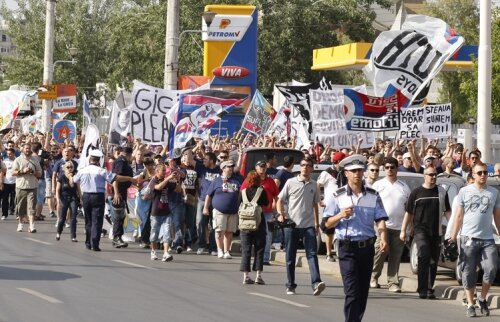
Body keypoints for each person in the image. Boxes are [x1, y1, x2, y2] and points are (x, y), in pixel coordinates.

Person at [322, 154, 388, 322]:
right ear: (346, 173)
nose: (358, 174)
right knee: (352, 291)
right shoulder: (337, 195)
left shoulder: (373, 195)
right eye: (353, 171)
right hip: (347, 248)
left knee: (362, 292)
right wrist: (340, 215)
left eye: (360, 170)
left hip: (366, 248)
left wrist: (384, 237)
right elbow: (326, 224)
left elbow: (380, 219)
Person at [450, 163, 500, 317]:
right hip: (468, 239)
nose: (483, 175)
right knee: (468, 272)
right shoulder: (464, 191)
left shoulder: (494, 192)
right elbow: (458, 216)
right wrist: (452, 237)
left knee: (491, 268)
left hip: (487, 239)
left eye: (485, 172)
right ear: (473, 175)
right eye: (480, 173)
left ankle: (482, 298)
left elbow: (497, 216)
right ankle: (471, 304)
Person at [276, 156, 325, 296]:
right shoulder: (291, 182)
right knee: (290, 257)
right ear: (300, 167)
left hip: (308, 225)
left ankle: (316, 283)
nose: (305, 167)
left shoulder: (314, 184)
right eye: (303, 165)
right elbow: (280, 200)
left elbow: (315, 204)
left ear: (311, 168)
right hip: (292, 225)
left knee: (312, 255)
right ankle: (290, 285)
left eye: (308, 165)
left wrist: (316, 223)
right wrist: (281, 214)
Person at [400, 166, 451, 299]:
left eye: (435, 175)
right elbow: (409, 213)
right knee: (424, 255)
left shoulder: (441, 191)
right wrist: (403, 230)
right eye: (430, 175)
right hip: (420, 231)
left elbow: (447, 212)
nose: (433, 177)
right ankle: (422, 288)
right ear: (424, 176)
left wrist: (451, 229)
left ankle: (429, 288)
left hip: (436, 231)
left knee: (433, 261)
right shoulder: (416, 193)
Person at [73, 150, 133, 251]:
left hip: (86, 196)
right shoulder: (101, 171)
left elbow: (74, 180)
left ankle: (88, 243)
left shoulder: (82, 170)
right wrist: (130, 178)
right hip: (98, 197)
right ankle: (95, 244)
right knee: (97, 220)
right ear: (98, 160)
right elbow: (115, 178)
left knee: (88, 221)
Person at [370, 157, 411, 292]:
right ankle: (374, 277)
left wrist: (407, 228)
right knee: (379, 253)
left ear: (397, 169)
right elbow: (371, 206)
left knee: (396, 255)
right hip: (383, 226)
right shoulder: (377, 185)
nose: (389, 170)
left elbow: (408, 209)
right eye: (387, 167)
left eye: (392, 167)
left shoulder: (404, 187)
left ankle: (393, 282)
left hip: (399, 227)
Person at [203, 159, 243, 259]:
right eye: (228, 167)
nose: (231, 168)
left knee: (229, 232)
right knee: (219, 231)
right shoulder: (216, 181)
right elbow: (209, 195)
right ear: (223, 169)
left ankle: (227, 251)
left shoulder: (236, 180)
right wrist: (205, 208)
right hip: (219, 211)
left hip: (233, 211)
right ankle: (219, 249)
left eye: (231, 167)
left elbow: (241, 193)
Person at [242, 160, 278, 265]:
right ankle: (251, 257)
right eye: (260, 167)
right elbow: (242, 193)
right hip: (252, 213)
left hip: (267, 212)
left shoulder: (270, 181)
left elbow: (276, 196)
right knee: (250, 234)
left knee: (268, 234)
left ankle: (265, 258)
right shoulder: (250, 180)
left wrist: (275, 207)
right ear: (256, 168)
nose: (262, 169)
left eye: (264, 167)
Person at [239, 170, 269, 285]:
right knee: (259, 249)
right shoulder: (261, 191)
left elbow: (238, 205)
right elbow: (266, 203)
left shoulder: (243, 192)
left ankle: (246, 276)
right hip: (258, 224)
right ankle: (258, 276)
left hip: (244, 225)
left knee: (246, 250)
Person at [11, 143, 43, 233]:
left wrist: (33, 172)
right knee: (21, 206)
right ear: (23, 150)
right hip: (21, 186)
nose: (27, 150)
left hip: (32, 186)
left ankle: (32, 226)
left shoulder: (35, 160)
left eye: (29, 149)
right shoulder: (18, 160)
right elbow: (13, 172)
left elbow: (40, 173)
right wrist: (22, 171)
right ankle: (20, 224)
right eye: (26, 148)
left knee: (32, 207)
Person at [149, 163, 177, 262]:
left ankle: (166, 253)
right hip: (156, 212)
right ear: (157, 172)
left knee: (167, 232)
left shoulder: (168, 180)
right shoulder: (153, 180)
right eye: (163, 171)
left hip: (166, 211)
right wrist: (168, 178)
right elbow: (159, 187)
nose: (165, 172)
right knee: (154, 234)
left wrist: (178, 179)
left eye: (165, 171)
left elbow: (177, 189)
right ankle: (153, 251)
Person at [111, 146, 135, 248]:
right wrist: (116, 193)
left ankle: (118, 237)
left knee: (121, 216)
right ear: (129, 155)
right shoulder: (121, 161)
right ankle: (117, 237)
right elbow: (115, 178)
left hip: (122, 192)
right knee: (118, 216)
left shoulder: (124, 161)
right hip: (119, 192)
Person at [55, 161, 81, 242]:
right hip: (64, 198)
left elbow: (78, 189)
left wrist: (81, 199)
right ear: (64, 168)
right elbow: (57, 190)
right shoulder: (61, 177)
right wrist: (58, 200)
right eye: (68, 167)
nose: (69, 169)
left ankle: (73, 236)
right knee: (62, 218)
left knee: (73, 217)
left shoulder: (75, 177)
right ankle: (59, 232)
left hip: (73, 198)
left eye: (71, 167)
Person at [1, 148, 16, 220]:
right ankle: (4, 214)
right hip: (6, 182)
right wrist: (1, 182)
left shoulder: (17, 160)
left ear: (13, 153)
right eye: (8, 154)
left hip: (16, 182)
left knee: (16, 199)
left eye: (10, 154)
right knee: (5, 199)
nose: (9, 155)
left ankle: (17, 214)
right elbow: (2, 172)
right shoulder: (5, 161)